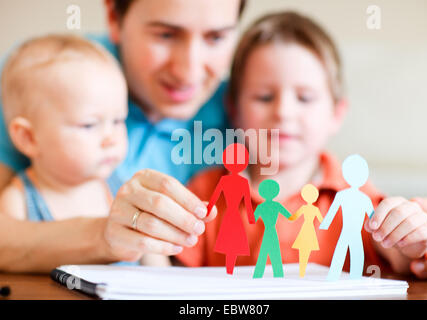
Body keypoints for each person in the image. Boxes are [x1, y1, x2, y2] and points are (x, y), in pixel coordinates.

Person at [175, 11, 427, 277]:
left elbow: (403, 257)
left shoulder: (358, 195)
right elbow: (165, 274)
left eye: (305, 98)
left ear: (336, 114)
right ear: (233, 109)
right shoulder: (204, 192)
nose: (284, 112)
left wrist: (413, 239)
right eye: (264, 97)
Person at [0, 0, 246, 272]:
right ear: (113, 17)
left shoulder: (240, 106)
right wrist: (105, 235)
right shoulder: (47, 77)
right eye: (165, 35)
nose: (188, 72)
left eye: (216, 37)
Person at [0, 34, 168, 267]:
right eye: (89, 125)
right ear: (29, 138)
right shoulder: (18, 201)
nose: (111, 138)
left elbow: (157, 265)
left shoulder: (125, 190)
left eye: (118, 121)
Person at [206, 143, 255, 275]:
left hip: (231, 215)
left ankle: (230, 270)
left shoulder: (228, 181)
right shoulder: (233, 181)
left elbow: (214, 199)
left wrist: (250, 217)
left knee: (232, 244)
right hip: (232, 215)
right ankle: (230, 270)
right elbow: (215, 198)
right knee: (231, 244)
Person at [253, 179, 291, 278]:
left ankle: (259, 273)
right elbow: (289, 216)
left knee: (264, 252)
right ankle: (277, 273)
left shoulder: (261, 207)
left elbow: (252, 219)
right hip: (272, 231)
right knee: (274, 252)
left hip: (268, 231)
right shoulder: (276, 205)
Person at [289, 184, 323, 277]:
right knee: (306, 250)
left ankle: (302, 271)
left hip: (306, 229)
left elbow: (293, 217)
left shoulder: (304, 208)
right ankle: (302, 272)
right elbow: (322, 221)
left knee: (303, 250)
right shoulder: (315, 209)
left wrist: (286, 216)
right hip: (309, 229)